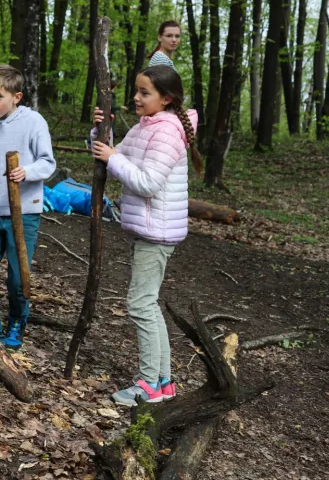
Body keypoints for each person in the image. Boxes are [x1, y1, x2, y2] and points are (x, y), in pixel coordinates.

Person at [90, 65, 202, 407]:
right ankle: (164, 382)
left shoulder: (166, 132)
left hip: (157, 231)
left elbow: (148, 182)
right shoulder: (147, 126)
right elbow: (113, 154)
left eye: (144, 93)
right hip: (149, 228)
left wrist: (112, 159)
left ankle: (148, 384)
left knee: (140, 305)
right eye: (136, 91)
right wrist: (100, 129)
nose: (136, 98)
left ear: (166, 99)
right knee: (148, 304)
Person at [0, 65, 56, 366]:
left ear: (16, 97)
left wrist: (26, 171)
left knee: (18, 277)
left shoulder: (33, 122)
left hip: (24, 212)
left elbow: (48, 163)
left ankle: (17, 321)